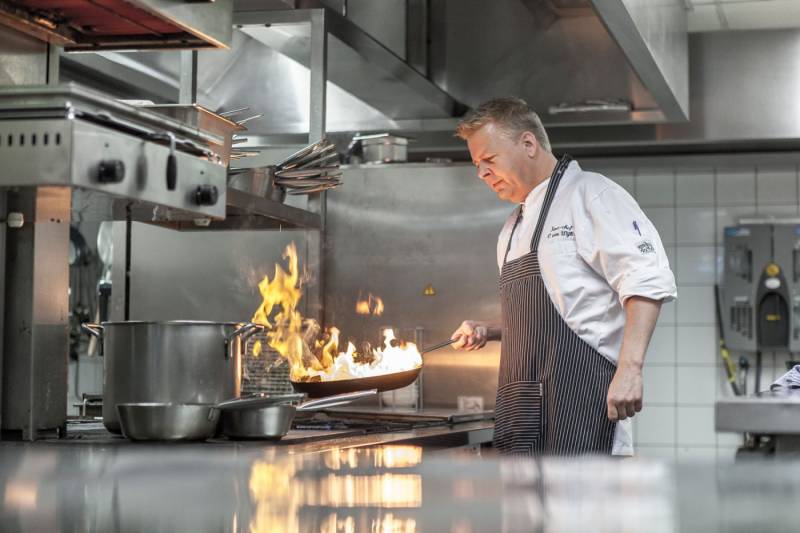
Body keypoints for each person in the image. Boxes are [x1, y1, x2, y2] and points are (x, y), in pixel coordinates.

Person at [451, 97, 677, 456]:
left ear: (528, 144)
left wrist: (630, 369)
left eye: (489, 160)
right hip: (521, 414)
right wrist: (489, 329)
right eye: (477, 165)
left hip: (582, 407)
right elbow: (558, 314)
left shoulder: (590, 193)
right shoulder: (512, 227)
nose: (482, 174)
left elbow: (646, 279)